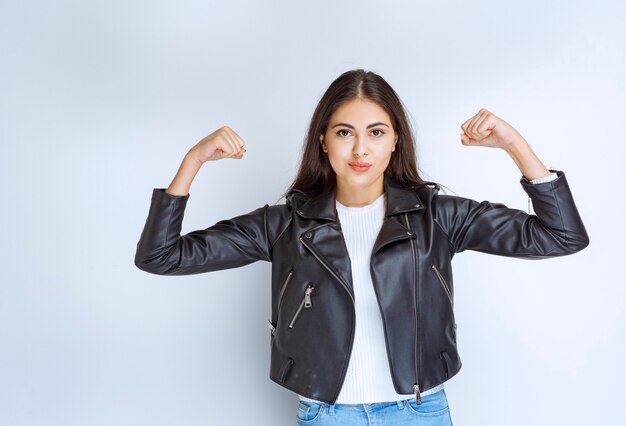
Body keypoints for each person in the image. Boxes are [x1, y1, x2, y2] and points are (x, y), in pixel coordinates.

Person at [135, 69, 590, 425]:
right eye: (344, 132)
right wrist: (192, 162)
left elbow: (561, 236)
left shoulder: (438, 216)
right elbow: (161, 256)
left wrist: (514, 145)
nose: (360, 149)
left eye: (375, 132)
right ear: (324, 142)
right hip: (326, 415)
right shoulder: (285, 224)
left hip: (420, 413)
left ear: (395, 141)